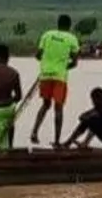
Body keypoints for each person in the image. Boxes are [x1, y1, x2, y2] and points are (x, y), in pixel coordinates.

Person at [30, 14, 79, 144]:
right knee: (58, 108)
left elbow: (38, 55)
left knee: (45, 105)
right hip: (60, 76)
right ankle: (57, 140)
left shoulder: (47, 35)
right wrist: (63, 66)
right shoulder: (71, 38)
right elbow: (75, 62)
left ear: (57, 24)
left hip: (45, 74)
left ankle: (34, 132)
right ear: (69, 26)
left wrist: (47, 63)